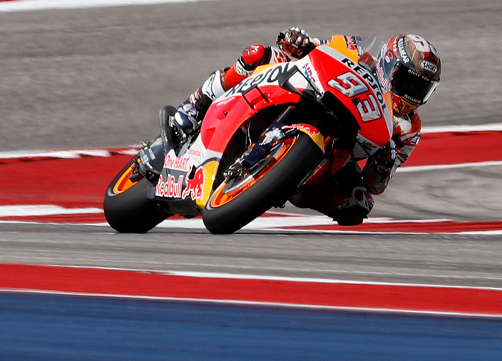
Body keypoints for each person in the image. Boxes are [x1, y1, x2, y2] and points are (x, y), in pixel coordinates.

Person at [169, 28, 441, 226]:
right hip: (310, 92)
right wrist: (298, 40)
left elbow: (377, 185)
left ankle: (281, 179)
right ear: (389, 65)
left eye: (422, 90)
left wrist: (384, 163)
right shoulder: (358, 52)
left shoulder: (409, 129)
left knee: (358, 204)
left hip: (338, 150)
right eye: (409, 83)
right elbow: (317, 46)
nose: (412, 96)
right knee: (260, 54)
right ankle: (196, 104)